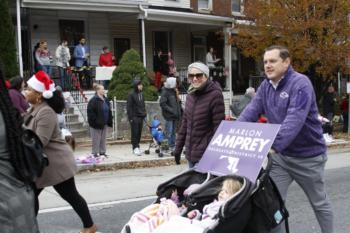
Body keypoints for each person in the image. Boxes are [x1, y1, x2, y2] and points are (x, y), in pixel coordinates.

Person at [237, 45, 333, 233]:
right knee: (271, 205)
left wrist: (272, 147)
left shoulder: (300, 83)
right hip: (281, 159)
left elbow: (293, 121)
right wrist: (230, 137)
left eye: (273, 61)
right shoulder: (265, 86)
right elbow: (249, 113)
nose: (267, 65)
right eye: (265, 62)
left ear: (286, 62)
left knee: (319, 202)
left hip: (308, 157)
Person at [24, 71, 97, 233]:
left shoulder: (46, 112)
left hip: (57, 165)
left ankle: (90, 226)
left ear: (39, 95)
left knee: (70, 196)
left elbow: (39, 141)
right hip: (45, 165)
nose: (25, 92)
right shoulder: (35, 109)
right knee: (30, 197)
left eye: (29, 89)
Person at [0, 64, 39, 233]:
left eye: (30, 89)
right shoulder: (6, 106)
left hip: (8, 211)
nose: (26, 91)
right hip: (19, 198)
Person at [173, 62, 225, 167]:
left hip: (206, 158)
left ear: (206, 76)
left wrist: (214, 155)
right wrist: (177, 149)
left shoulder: (215, 95)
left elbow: (219, 129)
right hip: (191, 155)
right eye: (191, 75)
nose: (195, 78)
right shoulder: (190, 95)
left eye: (198, 75)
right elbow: (185, 125)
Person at [87, 83, 113, 158]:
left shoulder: (105, 99)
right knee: (96, 139)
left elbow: (109, 110)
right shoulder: (93, 100)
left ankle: (102, 152)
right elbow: (90, 112)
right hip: (96, 124)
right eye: (102, 89)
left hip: (104, 123)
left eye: (104, 89)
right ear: (98, 90)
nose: (104, 90)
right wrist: (95, 121)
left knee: (103, 139)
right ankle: (95, 153)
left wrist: (109, 119)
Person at [160, 77, 182, 152]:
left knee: (173, 132)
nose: (176, 85)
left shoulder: (174, 91)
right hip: (169, 116)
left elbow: (177, 103)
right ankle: (164, 147)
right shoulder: (165, 91)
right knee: (167, 132)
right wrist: (171, 110)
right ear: (172, 83)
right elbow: (162, 103)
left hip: (175, 116)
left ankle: (172, 146)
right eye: (175, 83)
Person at [127, 79, 147, 156]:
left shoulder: (141, 94)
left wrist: (144, 113)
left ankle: (137, 146)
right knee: (134, 132)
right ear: (136, 86)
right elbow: (129, 107)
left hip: (141, 116)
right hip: (134, 117)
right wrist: (131, 118)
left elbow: (143, 105)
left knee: (139, 132)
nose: (141, 86)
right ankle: (134, 147)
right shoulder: (131, 94)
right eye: (139, 85)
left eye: (141, 84)